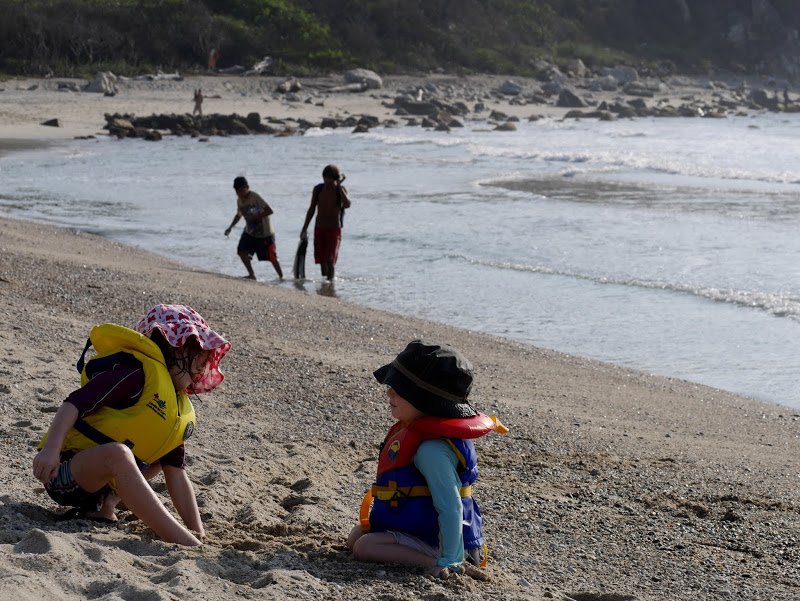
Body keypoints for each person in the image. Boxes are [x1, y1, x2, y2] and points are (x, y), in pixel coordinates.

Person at [32, 304, 231, 546]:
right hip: (64, 474)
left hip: (102, 486)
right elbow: (73, 403)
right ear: (171, 345)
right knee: (119, 454)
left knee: (160, 458)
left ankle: (106, 506)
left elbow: (177, 475)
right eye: (197, 351)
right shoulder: (134, 374)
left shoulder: (173, 405)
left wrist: (198, 530)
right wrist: (51, 450)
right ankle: (184, 542)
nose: (203, 363)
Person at [347, 340, 508, 579]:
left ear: (426, 400)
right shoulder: (420, 434)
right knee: (356, 536)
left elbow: (451, 506)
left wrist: (450, 559)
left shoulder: (431, 451)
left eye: (399, 388)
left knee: (364, 547)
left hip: (450, 545)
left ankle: (439, 563)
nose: (389, 392)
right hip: (423, 532)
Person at [225, 176, 283, 280]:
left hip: (265, 233)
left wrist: (255, 217)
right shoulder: (239, 201)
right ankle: (251, 274)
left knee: (272, 257)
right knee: (241, 251)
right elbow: (239, 215)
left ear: (247, 187)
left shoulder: (255, 197)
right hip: (250, 232)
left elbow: (270, 210)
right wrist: (230, 227)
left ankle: (281, 277)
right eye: (237, 191)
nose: (239, 193)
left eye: (241, 190)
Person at [299, 164, 351, 281]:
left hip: (333, 230)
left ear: (335, 179)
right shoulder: (318, 189)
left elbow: (347, 204)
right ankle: (325, 286)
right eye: (325, 178)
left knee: (330, 260)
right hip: (319, 229)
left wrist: (339, 187)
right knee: (322, 261)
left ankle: (330, 284)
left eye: (329, 179)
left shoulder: (340, 190)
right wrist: (304, 228)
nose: (326, 181)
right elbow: (311, 209)